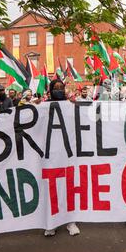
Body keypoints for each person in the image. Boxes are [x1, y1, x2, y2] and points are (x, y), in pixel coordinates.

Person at [43, 79, 80, 237]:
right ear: (50, 90)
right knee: (51, 188)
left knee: (68, 186)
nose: (58, 90)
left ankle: (70, 222)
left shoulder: (71, 106)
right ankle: (51, 223)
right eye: (55, 88)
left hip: (67, 154)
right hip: (49, 154)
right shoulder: (42, 107)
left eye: (61, 88)